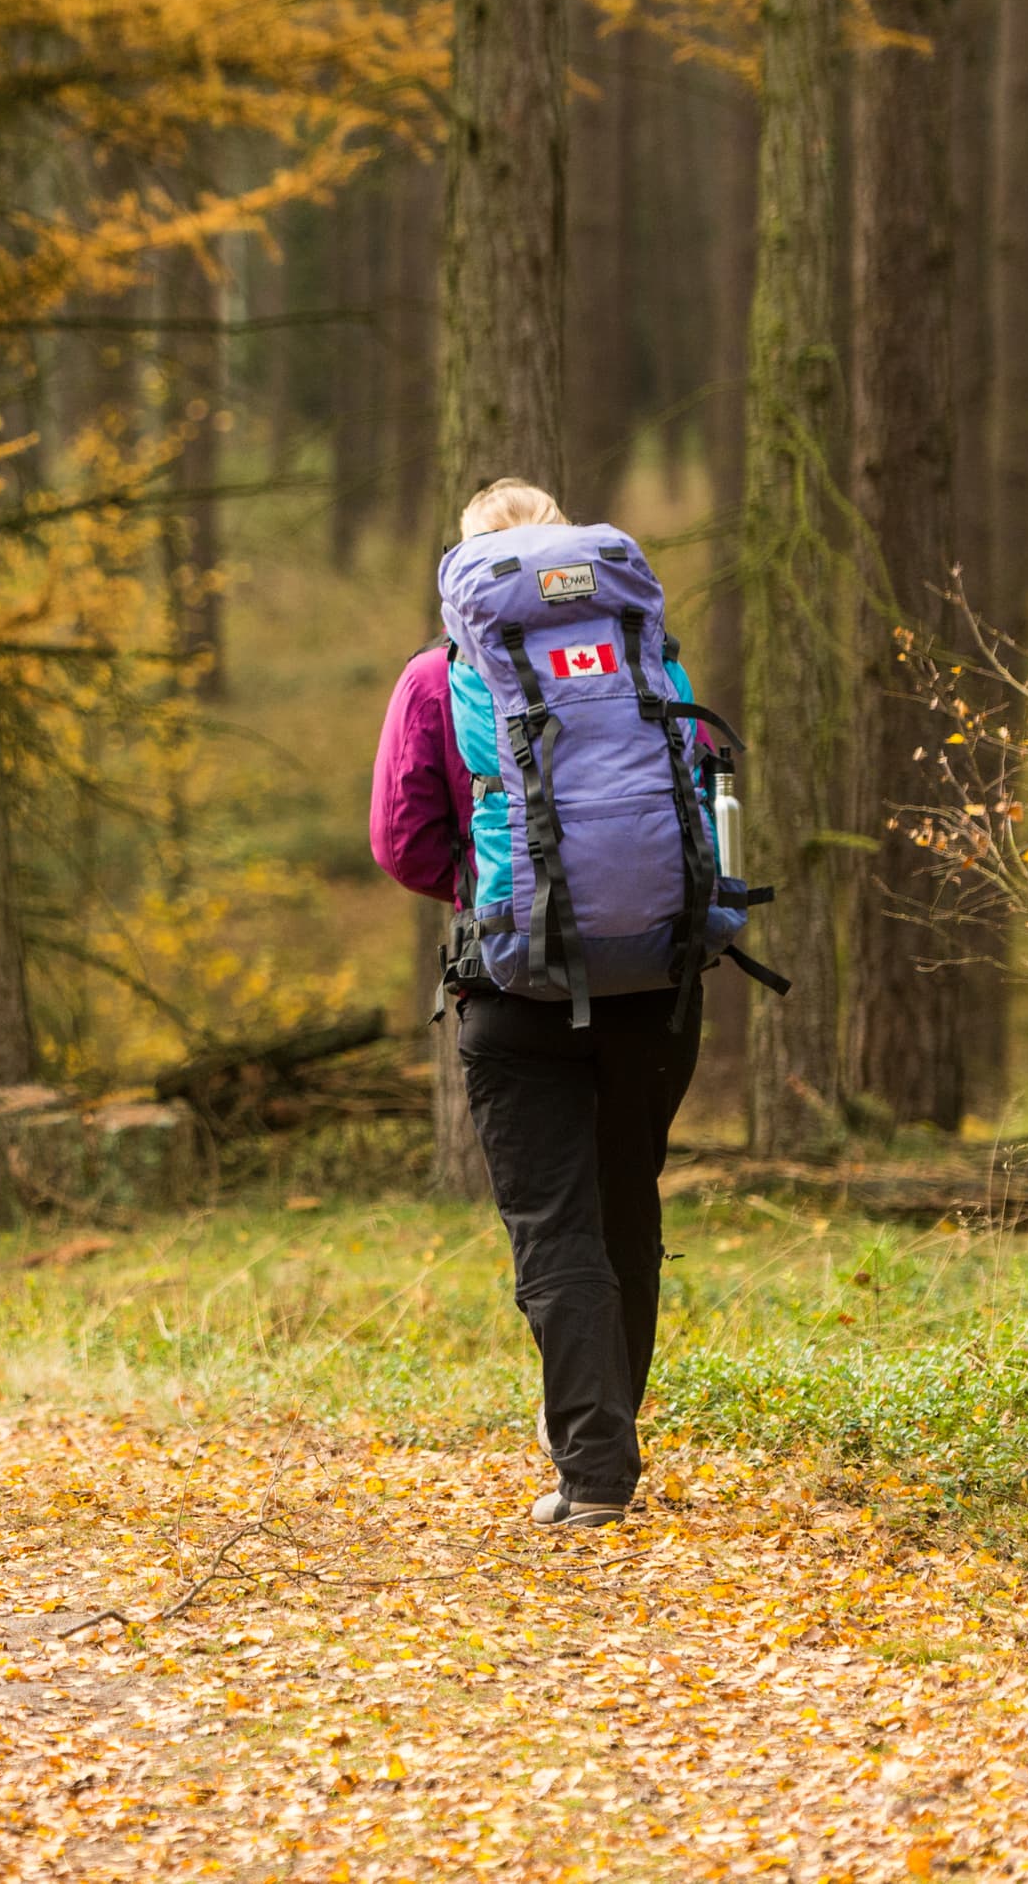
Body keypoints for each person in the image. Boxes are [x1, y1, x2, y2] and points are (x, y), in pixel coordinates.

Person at [372, 476, 708, 1530]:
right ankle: (613, 1444)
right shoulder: (642, 653)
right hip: (655, 975)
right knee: (626, 1207)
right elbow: (692, 781)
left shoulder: (441, 675)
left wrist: (497, 892)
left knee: (552, 1224)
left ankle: (593, 1466)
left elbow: (401, 840)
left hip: (512, 983)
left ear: (469, 572)